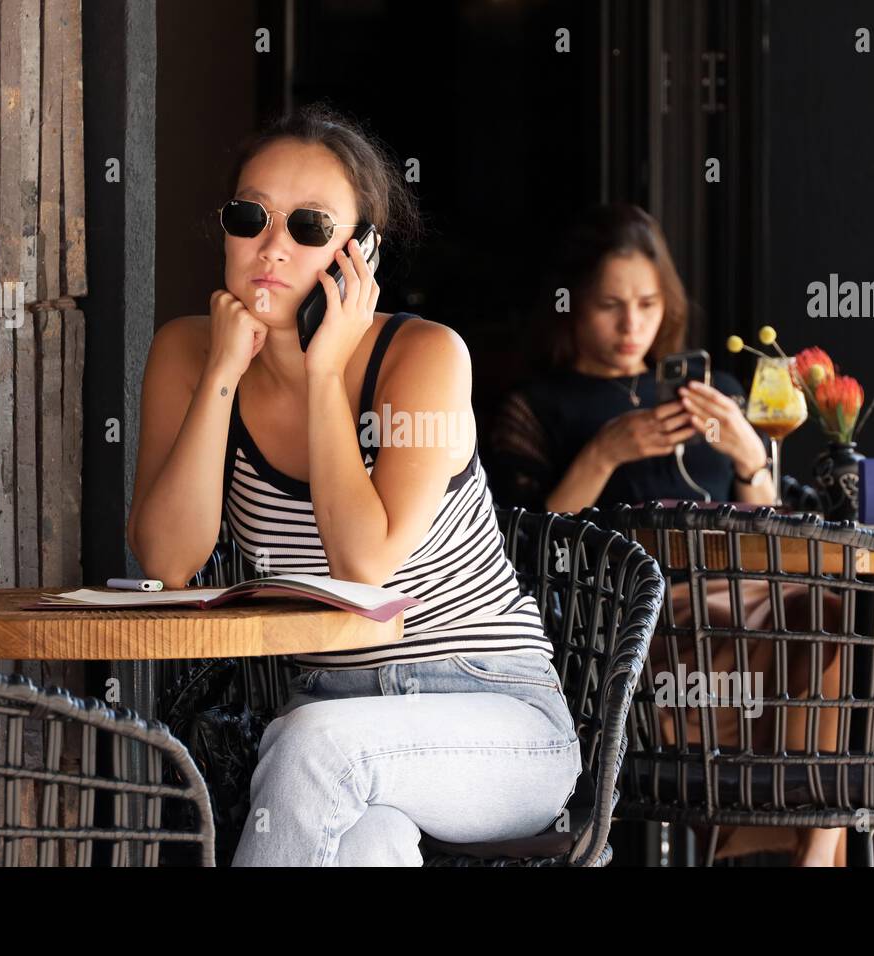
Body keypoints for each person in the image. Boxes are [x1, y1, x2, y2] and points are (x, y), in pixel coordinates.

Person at [127, 103, 580, 866]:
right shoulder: (188, 351)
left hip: (497, 714)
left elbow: (363, 566)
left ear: (358, 254)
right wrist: (221, 376)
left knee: (312, 744)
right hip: (340, 714)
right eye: (251, 217)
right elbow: (167, 560)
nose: (271, 246)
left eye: (309, 227)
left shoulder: (423, 357)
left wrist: (325, 371)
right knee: (365, 847)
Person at [487, 203, 847, 866]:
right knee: (785, 624)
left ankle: (815, 849)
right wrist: (601, 457)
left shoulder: (715, 393)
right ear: (571, 306)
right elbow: (522, 550)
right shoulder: (539, 406)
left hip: (742, 608)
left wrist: (748, 458)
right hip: (626, 629)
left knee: (831, 614)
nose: (632, 326)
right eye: (609, 306)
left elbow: (766, 528)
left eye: (649, 305)